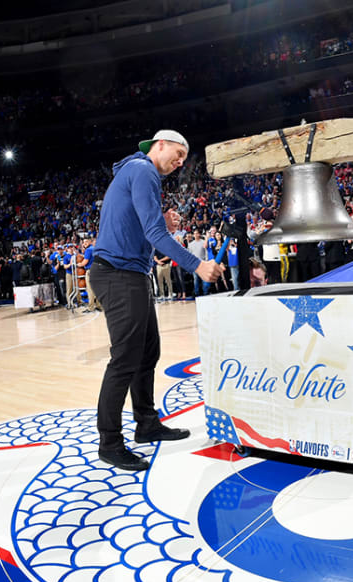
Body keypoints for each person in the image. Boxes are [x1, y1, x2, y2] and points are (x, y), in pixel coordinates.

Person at [86, 129, 223, 472]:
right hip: (117, 274)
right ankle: (110, 442)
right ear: (159, 144)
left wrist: (159, 220)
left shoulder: (136, 171)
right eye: (177, 154)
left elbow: (140, 225)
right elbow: (155, 235)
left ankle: (146, 423)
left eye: (182, 160)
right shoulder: (143, 169)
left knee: (147, 352)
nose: (179, 163)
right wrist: (197, 265)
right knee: (125, 359)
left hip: (130, 273)